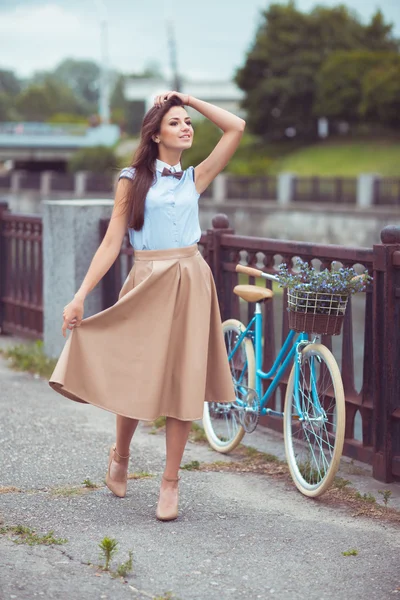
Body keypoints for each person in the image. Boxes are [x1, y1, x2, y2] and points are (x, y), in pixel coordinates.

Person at [49, 91, 246, 521]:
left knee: (184, 380)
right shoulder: (132, 179)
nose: (186, 127)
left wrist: (190, 99)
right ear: (155, 134)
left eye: (187, 122)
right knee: (137, 374)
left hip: (191, 279)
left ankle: (170, 483)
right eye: (175, 122)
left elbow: (236, 128)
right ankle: (120, 455)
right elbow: (111, 241)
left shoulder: (196, 177)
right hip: (146, 279)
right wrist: (80, 296)